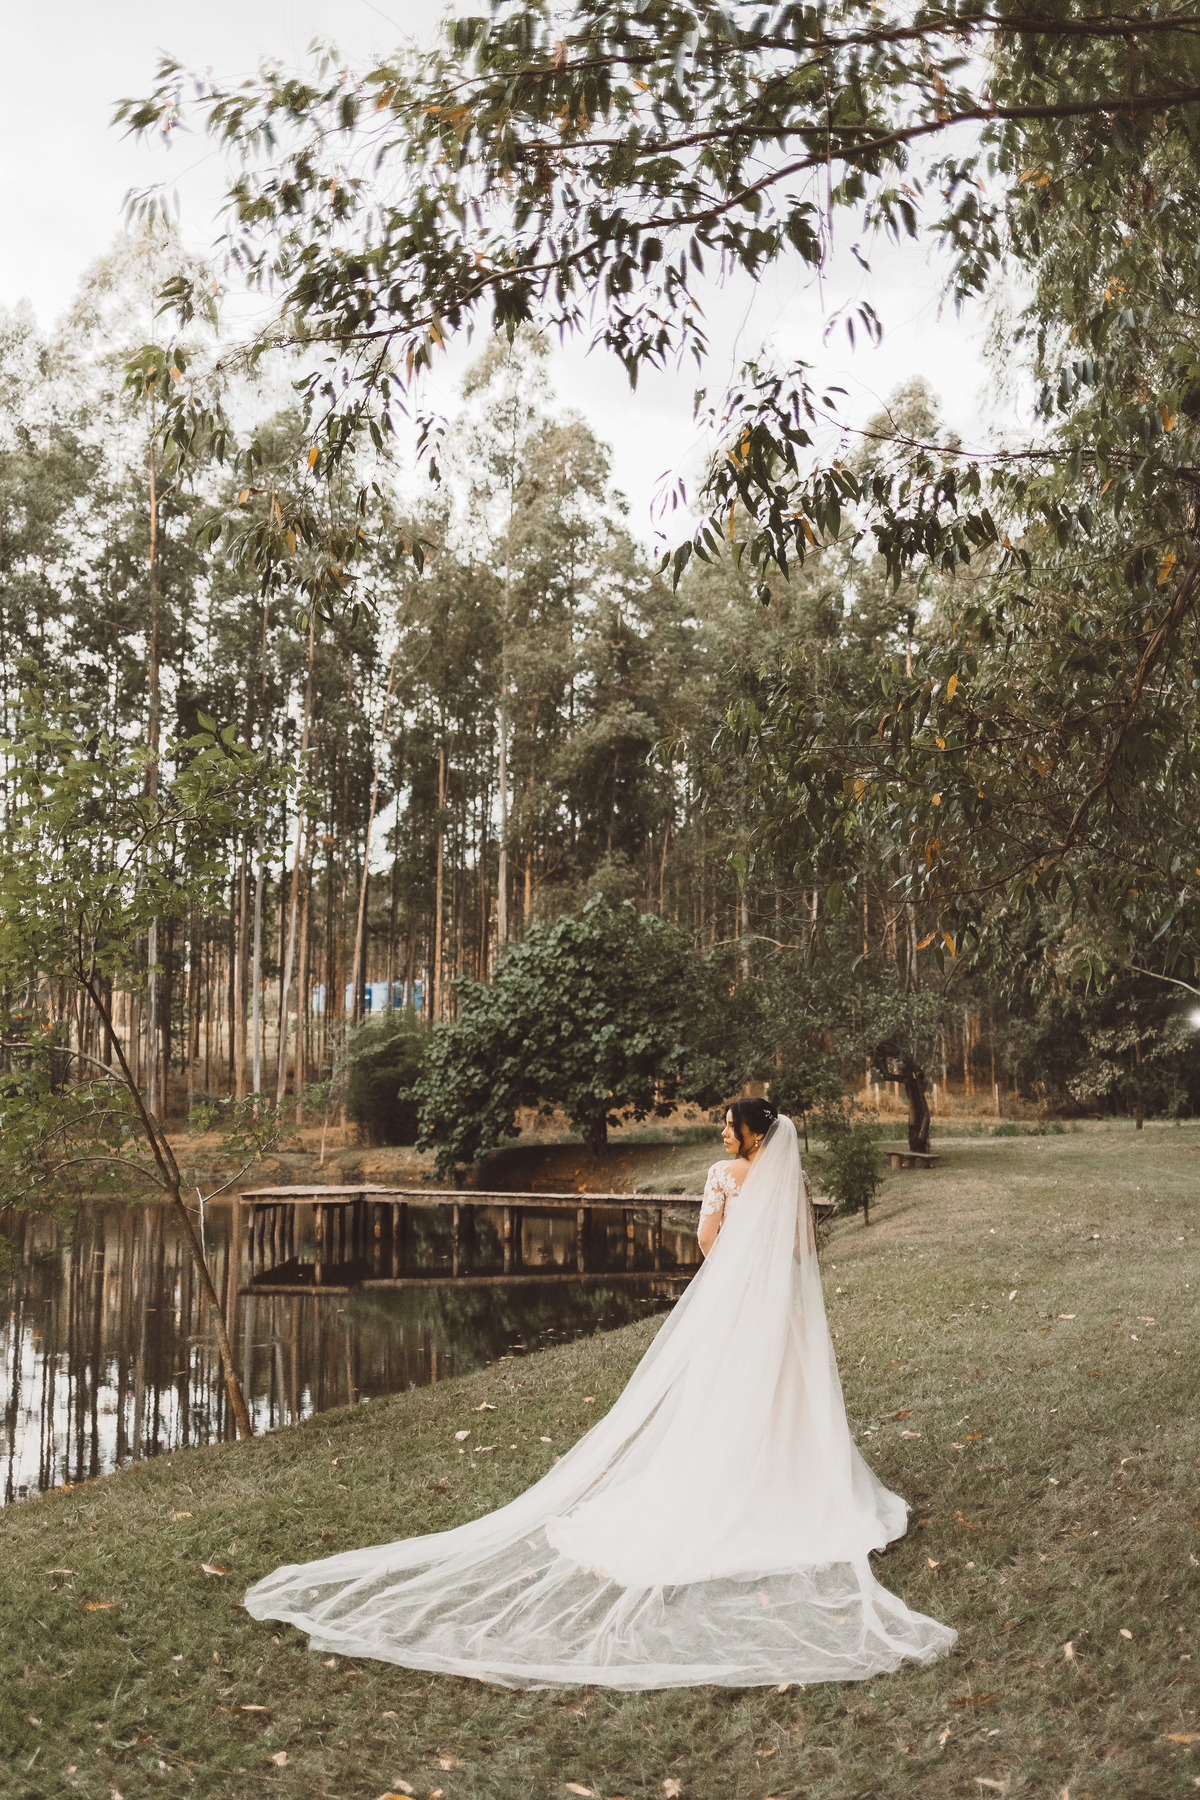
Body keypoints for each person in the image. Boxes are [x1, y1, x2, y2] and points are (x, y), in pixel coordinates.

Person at [244, 1102, 955, 1688]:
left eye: (728, 1125)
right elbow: (800, 1251)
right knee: (782, 1394)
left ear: (750, 1134)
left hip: (735, 1307)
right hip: (779, 1310)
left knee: (720, 1396)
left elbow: (708, 1245)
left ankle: (728, 1481)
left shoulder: (722, 1177)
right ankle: (786, 1483)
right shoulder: (788, 1181)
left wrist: (738, 1248)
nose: (720, 1133)